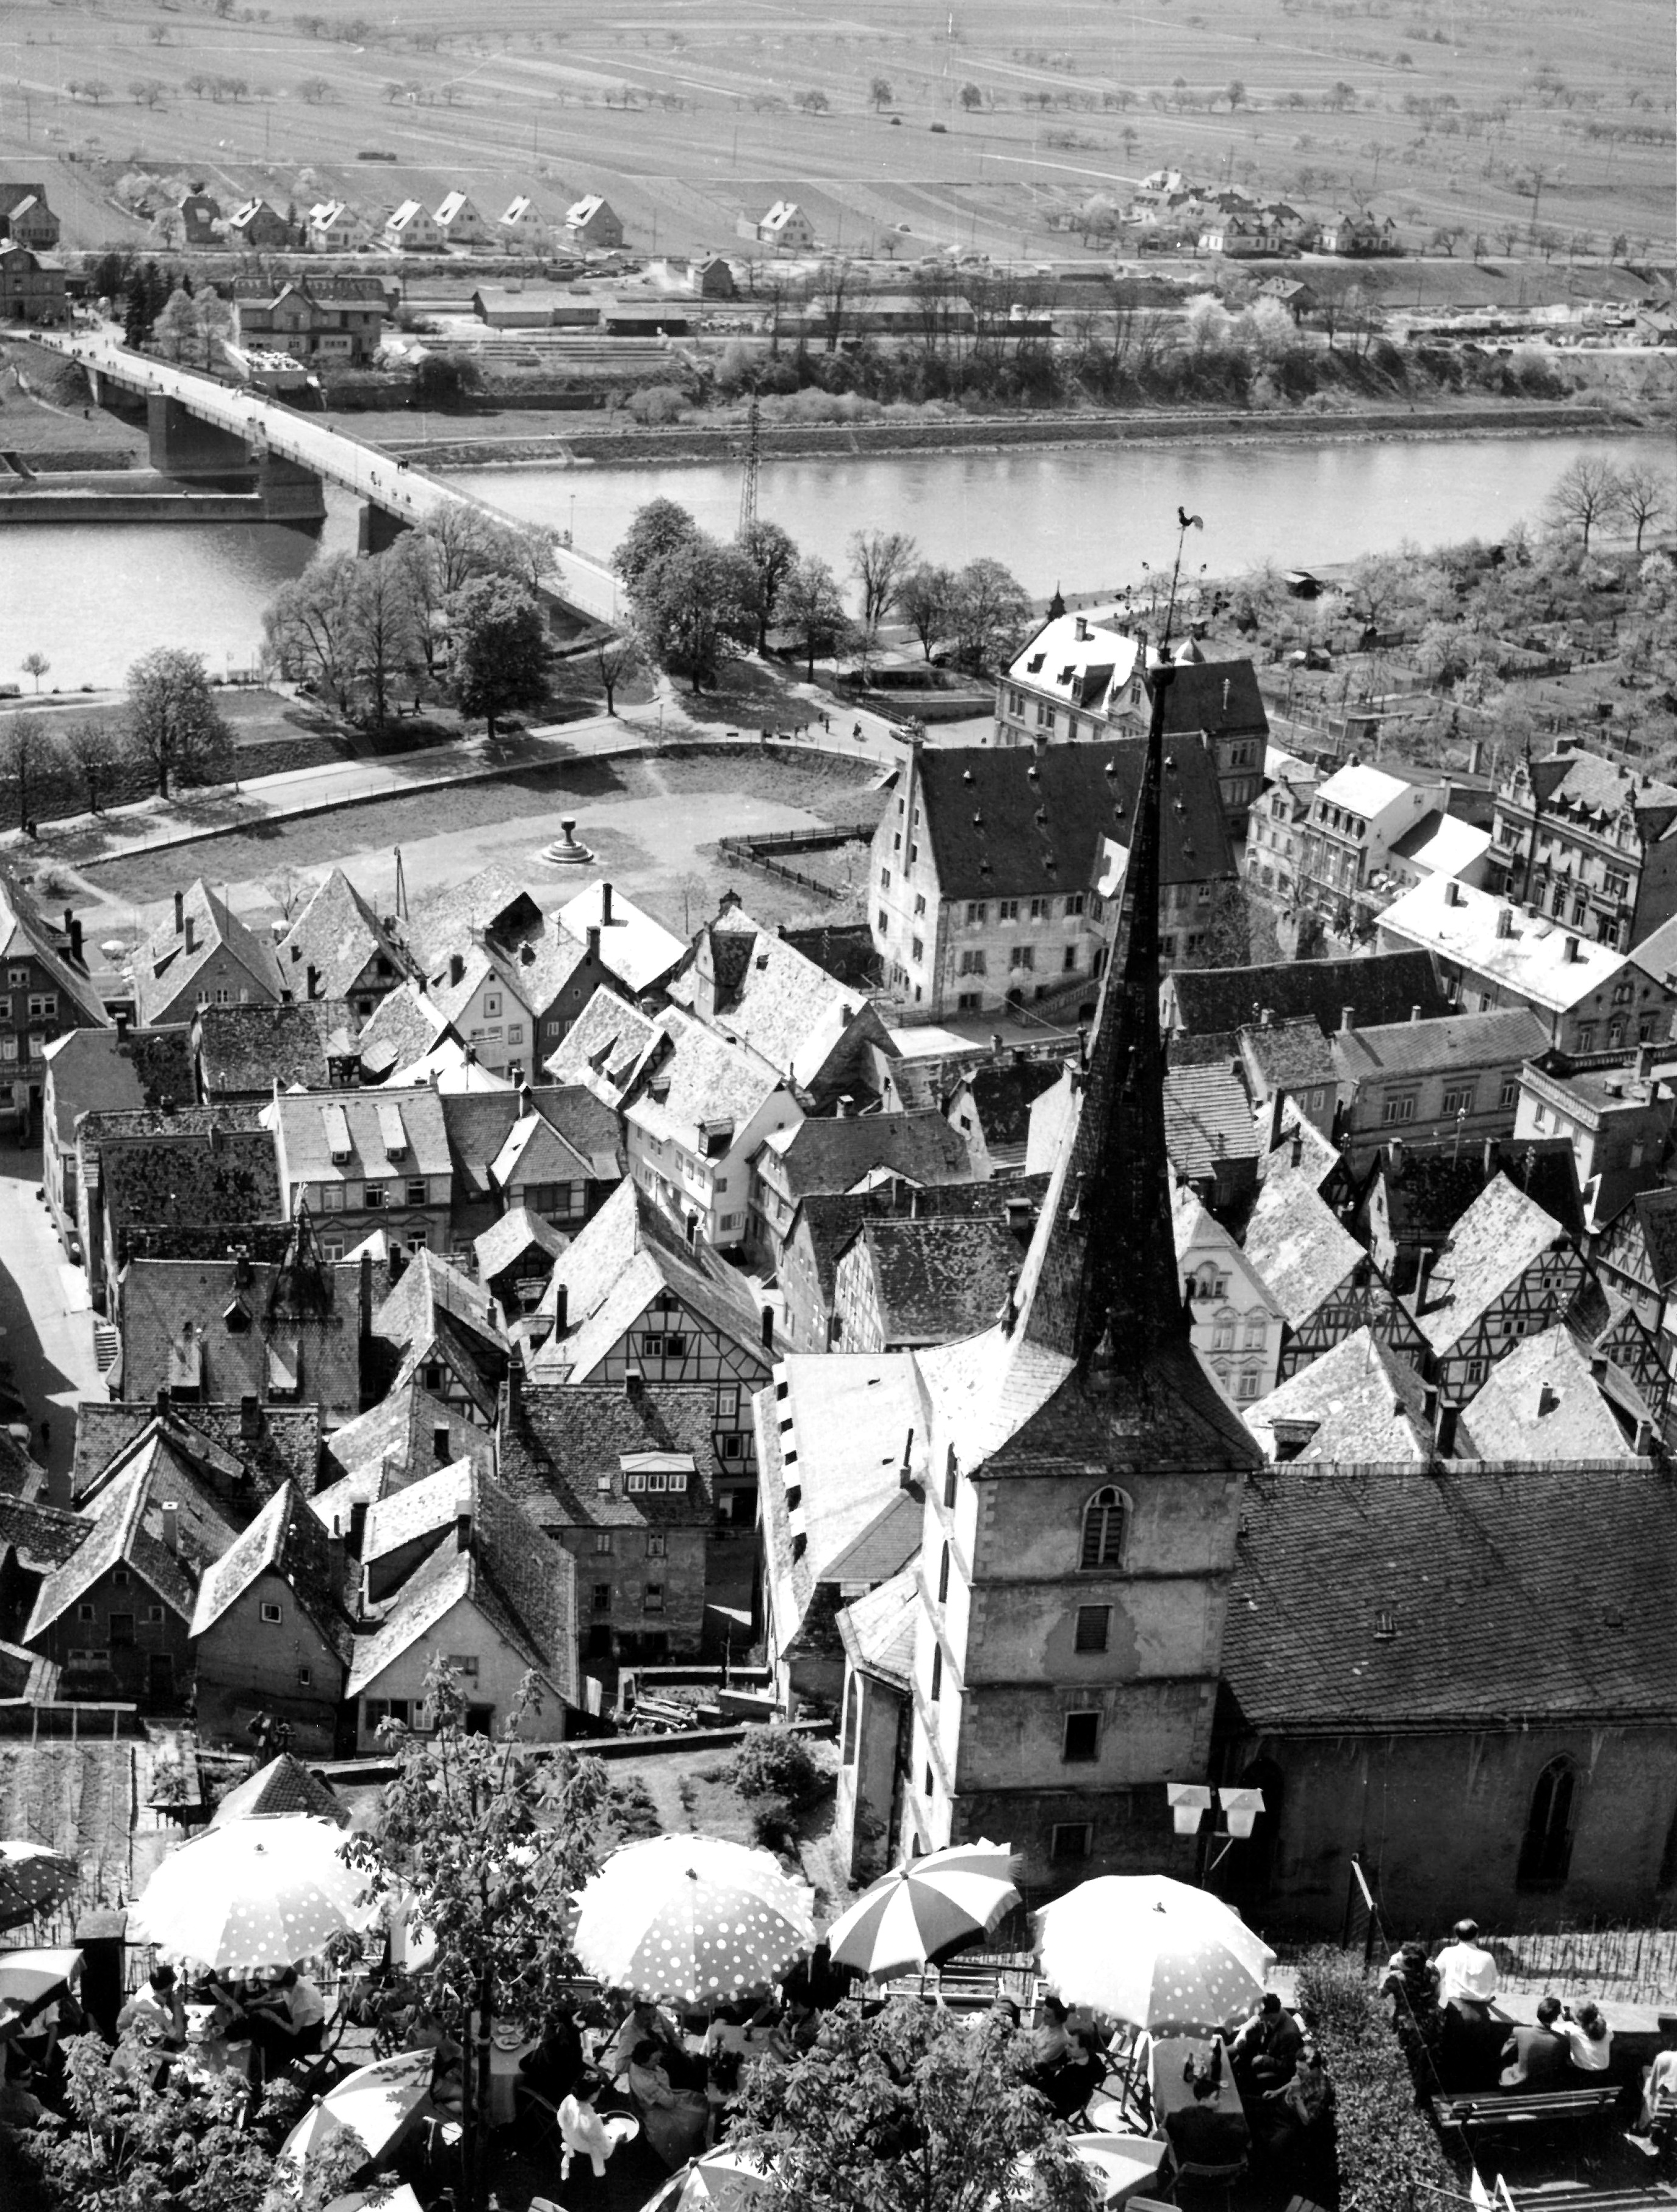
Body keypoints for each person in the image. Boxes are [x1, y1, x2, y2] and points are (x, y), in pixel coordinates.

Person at [627, 2037, 709, 2171]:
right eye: (655, 2060)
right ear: (644, 2061)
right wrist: (670, 2095)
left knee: (699, 2101)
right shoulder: (646, 2084)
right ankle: (691, 2156)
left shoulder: (637, 2065)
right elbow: (669, 2103)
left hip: (665, 2097)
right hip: (659, 2109)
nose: (658, 2062)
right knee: (693, 2121)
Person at [1165, 2073, 1248, 2172]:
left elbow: (1172, 2131)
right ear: (1204, 2100)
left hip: (1187, 2172)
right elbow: (1244, 2137)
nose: (1220, 2101)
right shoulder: (1220, 2122)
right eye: (1216, 2098)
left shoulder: (1186, 2113)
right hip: (1218, 2175)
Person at [1232, 1995, 1303, 2092]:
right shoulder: (1274, 2011)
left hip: (1276, 2071)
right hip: (1265, 2051)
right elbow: (1256, 2018)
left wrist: (1265, 2060)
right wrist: (1243, 2031)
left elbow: (1289, 2067)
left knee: (1243, 2081)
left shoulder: (1289, 2035)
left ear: (1270, 2015)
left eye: (1261, 2015)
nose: (1259, 2017)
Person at [1500, 1996, 1572, 2091]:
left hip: (1519, 2085)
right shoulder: (1563, 2040)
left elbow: (1504, 2054)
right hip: (1546, 2087)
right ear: (1556, 2017)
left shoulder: (1519, 2031)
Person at [557, 2070, 618, 2181]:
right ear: (592, 2095)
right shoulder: (592, 2121)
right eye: (598, 2090)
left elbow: (563, 2120)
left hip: (569, 2138)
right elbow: (605, 2151)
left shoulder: (569, 2099)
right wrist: (616, 2136)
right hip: (586, 2151)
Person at [1434, 1920, 1499, 2017]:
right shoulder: (1488, 1957)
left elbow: (1434, 1976)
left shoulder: (1448, 1953)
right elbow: (1495, 1983)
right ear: (1477, 1936)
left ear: (1457, 1936)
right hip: (1481, 2013)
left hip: (1455, 2012)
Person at [117, 1964, 187, 2052]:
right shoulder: (153, 2008)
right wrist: (177, 2005)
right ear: (170, 1986)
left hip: (135, 2034)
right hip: (133, 2048)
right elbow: (178, 2037)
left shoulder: (152, 1986)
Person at [1637, 2012, 1677, 2137]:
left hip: (1663, 2108)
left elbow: (1650, 2092)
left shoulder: (1664, 2057)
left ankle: (1643, 2127)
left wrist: (1642, 2125)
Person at [1560, 2001, 1612, 2075]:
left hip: (1582, 2074)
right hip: (1605, 2073)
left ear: (1578, 2020)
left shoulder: (1572, 2030)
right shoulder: (1607, 2029)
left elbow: (1553, 2028)